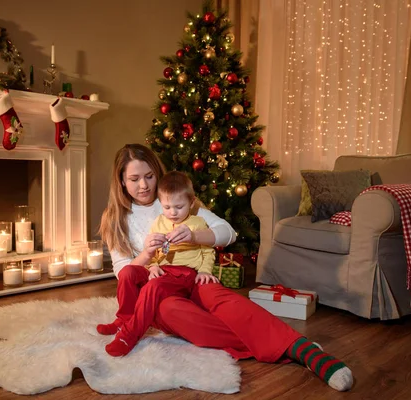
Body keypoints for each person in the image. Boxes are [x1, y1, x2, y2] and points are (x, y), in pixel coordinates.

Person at [98, 144, 353, 391]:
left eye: (149, 176)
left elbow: (227, 233)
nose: (143, 185)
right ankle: (292, 348)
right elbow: (124, 273)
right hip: (154, 291)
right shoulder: (115, 217)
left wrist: (195, 236)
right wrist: (146, 257)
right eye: (134, 179)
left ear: (157, 173)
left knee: (224, 299)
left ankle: (300, 348)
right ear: (121, 181)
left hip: (191, 276)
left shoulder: (177, 198)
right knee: (180, 315)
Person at [104, 171, 218, 357]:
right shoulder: (159, 222)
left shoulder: (197, 223)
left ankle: (130, 334)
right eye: (166, 207)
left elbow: (207, 251)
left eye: (178, 207)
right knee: (128, 272)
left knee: (153, 286)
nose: (172, 212)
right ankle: (123, 320)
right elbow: (157, 252)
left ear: (191, 202)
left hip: (184, 274)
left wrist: (204, 271)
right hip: (163, 270)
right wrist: (153, 266)